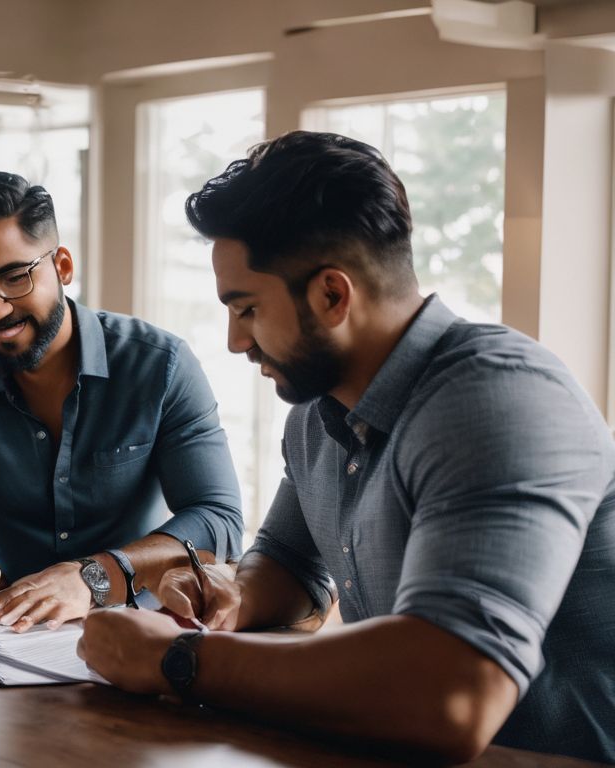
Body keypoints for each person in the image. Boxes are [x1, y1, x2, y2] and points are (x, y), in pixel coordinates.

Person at [77, 131, 615, 764]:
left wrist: (178, 660)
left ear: (332, 295)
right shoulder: (318, 410)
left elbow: (454, 695)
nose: (233, 341)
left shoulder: (499, 401)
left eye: (246, 308)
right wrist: (234, 593)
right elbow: (288, 561)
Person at [0, 171, 244, 633]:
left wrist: (94, 577)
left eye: (13, 277)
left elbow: (218, 519)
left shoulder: (161, 366)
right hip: (1, 637)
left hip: (144, 630)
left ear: (62, 266)